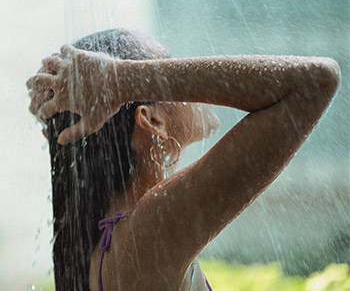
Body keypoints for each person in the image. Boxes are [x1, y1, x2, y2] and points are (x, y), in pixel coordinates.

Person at [26, 29, 340, 291]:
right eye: (164, 67)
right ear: (152, 121)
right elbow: (314, 81)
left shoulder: (127, 232)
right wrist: (120, 79)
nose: (182, 74)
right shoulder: (148, 229)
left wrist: (118, 81)